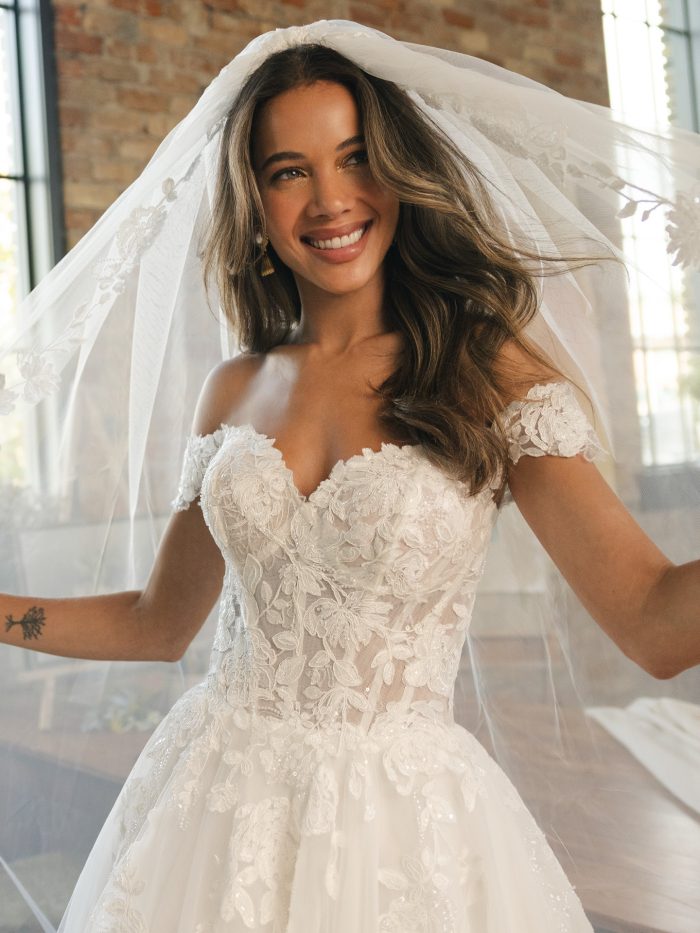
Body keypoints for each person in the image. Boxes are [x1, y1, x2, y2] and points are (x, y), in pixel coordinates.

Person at [1, 20, 699, 932]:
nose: (331, 199)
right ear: (254, 199)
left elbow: (653, 622)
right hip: (213, 812)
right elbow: (159, 622)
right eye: (291, 169)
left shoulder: (484, 370)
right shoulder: (235, 387)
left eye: (356, 157)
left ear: (400, 172)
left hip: (401, 832)